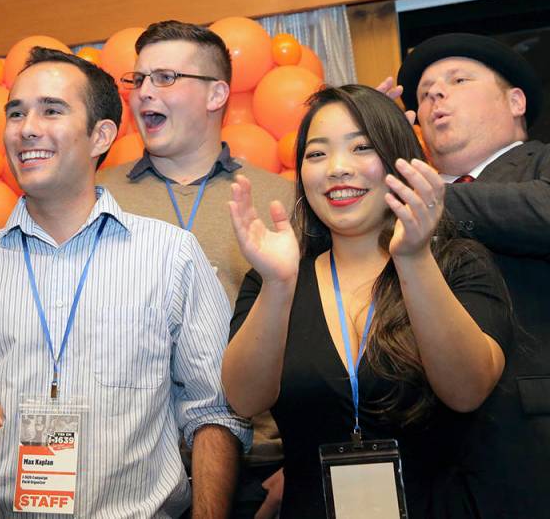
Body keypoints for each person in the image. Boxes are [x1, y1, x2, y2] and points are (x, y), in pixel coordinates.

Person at [0, 46, 249, 518]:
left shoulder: (170, 256)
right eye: (16, 113)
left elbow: (213, 412)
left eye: (51, 110)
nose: (27, 127)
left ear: (101, 135)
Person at [223, 84, 513, 517]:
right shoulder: (275, 276)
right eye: (317, 154)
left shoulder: (458, 263)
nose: (337, 169)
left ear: (401, 161)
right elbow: (244, 400)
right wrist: (279, 285)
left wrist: (413, 257)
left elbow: (467, 390)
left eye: (362, 148)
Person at [99, 20, 292, 518]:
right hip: (127, 470)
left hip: (261, 464)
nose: (143, 93)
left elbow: (320, 332)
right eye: (137, 79)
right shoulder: (95, 196)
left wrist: (303, 462)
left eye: (164, 78)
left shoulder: (280, 198)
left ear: (217, 94)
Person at [395, 33, 550, 516]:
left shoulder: (539, 164)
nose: (435, 95)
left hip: (531, 441)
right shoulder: (398, 198)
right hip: (423, 453)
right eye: (424, 92)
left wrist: (424, 199)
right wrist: (370, 148)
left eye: (458, 80)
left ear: (515, 100)